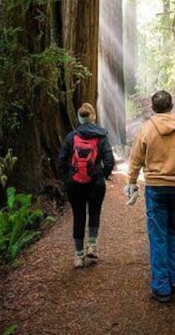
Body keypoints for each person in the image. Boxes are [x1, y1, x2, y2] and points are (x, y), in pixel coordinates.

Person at [125, 90, 175, 303]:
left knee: (158, 235)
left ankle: (161, 287)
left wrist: (132, 181)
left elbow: (135, 160)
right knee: (173, 231)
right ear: (171, 106)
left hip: (156, 188)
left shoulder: (147, 128)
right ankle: (174, 278)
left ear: (154, 107)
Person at [58, 103, 115, 268]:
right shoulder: (101, 136)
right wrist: (101, 175)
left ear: (79, 118)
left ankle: (78, 256)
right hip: (95, 183)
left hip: (74, 184)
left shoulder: (71, 137)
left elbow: (61, 161)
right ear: (93, 117)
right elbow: (109, 161)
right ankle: (92, 246)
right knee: (94, 213)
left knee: (78, 216)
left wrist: (69, 177)